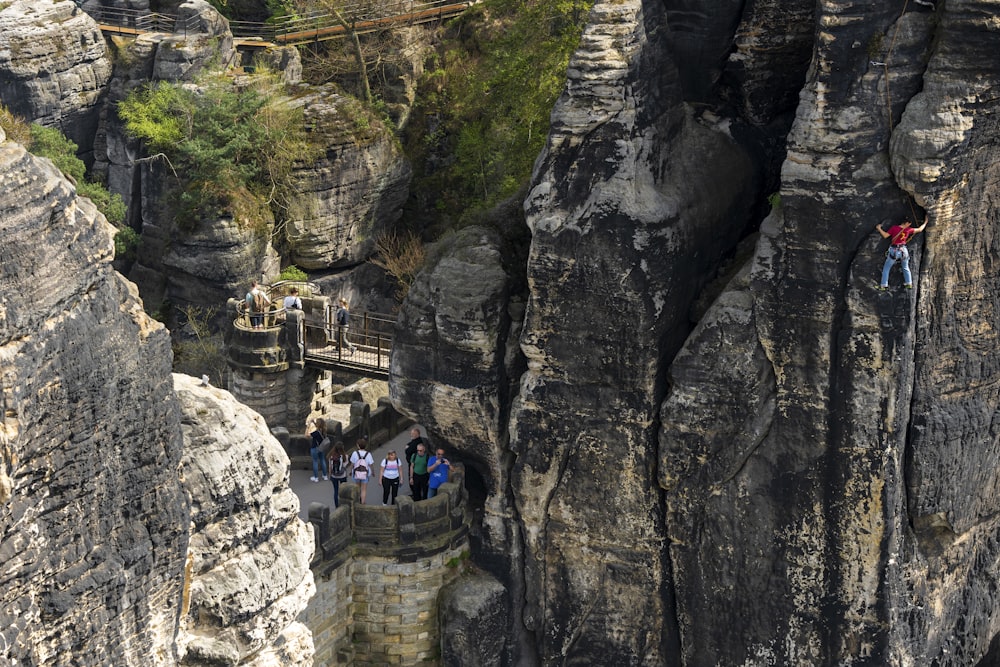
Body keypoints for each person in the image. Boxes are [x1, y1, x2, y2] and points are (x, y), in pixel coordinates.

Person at [876, 216, 928, 290]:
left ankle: (884, 285)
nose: (909, 225)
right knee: (905, 267)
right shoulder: (908, 230)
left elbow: (885, 235)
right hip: (904, 250)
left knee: (886, 268)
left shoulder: (894, 228)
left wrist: (879, 228)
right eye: (909, 224)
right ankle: (909, 283)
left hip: (894, 250)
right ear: (906, 223)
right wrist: (925, 222)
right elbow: (920, 229)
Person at [350, 439, 374, 504]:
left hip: (356, 473)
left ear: (358, 446)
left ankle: (357, 501)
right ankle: (363, 502)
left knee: (357, 488)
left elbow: (352, 464)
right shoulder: (368, 454)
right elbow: (371, 464)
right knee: (364, 489)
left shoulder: (355, 453)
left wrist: (350, 471)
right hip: (365, 474)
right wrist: (373, 472)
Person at [327, 442, 349, 508]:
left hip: (334, 476)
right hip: (342, 476)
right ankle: (344, 505)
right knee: (343, 490)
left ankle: (337, 506)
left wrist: (330, 475)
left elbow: (330, 467)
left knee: (336, 490)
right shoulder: (345, 456)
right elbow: (344, 466)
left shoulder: (331, 456)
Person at [308, 418, 329, 482]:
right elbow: (319, 427)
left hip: (315, 448)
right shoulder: (324, 431)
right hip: (321, 448)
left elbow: (307, 435)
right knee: (322, 460)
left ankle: (316, 477)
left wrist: (308, 426)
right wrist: (314, 423)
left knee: (315, 461)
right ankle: (325, 476)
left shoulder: (316, 433)